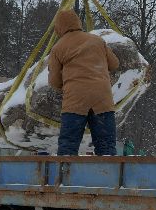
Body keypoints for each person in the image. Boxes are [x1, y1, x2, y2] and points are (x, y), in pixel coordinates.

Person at [48, 8, 120, 155]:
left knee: (68, 147)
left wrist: (66, 87)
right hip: (102, 100)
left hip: (75, 101)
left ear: (59, 28)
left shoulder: (58, 48)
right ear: (78, 22)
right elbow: (114, 64)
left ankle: (65, 170)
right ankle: (108, 169)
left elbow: (54, 81)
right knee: (106, 147)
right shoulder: (97, 40)